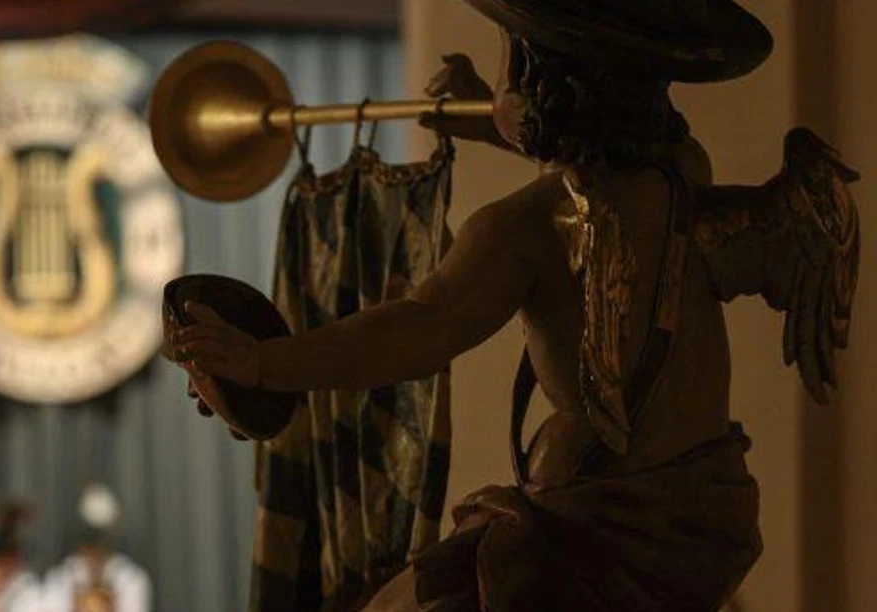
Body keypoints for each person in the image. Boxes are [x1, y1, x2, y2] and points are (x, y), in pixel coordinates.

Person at [168, 0, 859, 609]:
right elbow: (596, 162)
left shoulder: (521, 231)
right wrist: (497, 123)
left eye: (511, 61)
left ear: (537, 81)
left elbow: (419, 329)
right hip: (703, 521)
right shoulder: (681, 169)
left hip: (590, 540)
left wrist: (266, 364)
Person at [42, 485, 149, 612]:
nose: (96, 547)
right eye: (90, 537)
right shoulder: (60, 578)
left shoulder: (131, 579)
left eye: (102, 539)